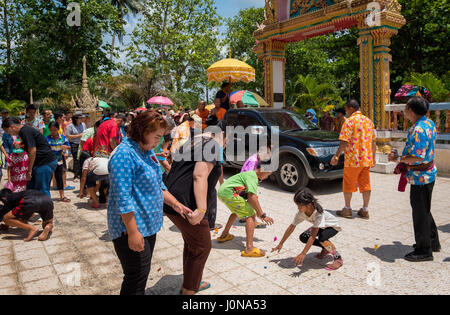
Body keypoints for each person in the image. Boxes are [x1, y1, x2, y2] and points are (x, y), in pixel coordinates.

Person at [108, 110, 192, 295]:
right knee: (135, 276)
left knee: (141, 274)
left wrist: (176, 204)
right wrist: (133, 232)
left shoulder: (147, 152)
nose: (159, 142)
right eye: (156, 137)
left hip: (148, 226)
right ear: (141, 131)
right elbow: (123, 199)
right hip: (131, 227)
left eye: (161, 137)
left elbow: (158, 184)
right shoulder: (124, 155)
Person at [164, 120, 226, 295]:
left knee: (192, 244)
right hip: (187, 204)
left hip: (171, 199)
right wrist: (202, 210)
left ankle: (191, 282)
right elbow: (199, 175)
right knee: (201, 247)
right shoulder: (212, 144)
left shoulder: (193, 141)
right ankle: (189, 291)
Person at [388, 96, 441, 262]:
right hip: (428, 173)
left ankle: (424, 250)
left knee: (420, 213)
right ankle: (432, 242)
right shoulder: (428, 123)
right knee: (424, 210)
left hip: (421, 177)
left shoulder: (418, 129)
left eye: (405, 109)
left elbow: (416, 157)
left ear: (411, 111)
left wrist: (397, 159)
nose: (404, 112)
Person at [272, 188, 343, 270]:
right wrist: (281, 243)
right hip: (320, 226)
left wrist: (303, 253)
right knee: (303, 237)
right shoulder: (301, 213)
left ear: (308, 205)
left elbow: (313, 236)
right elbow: (291, 227)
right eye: (297, 205)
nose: (298, 208)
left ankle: (338, 258)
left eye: (299, 206)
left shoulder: (318, 214)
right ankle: (326, 248)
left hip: (332, 226)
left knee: (322, 238)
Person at [331, 99, 376, 219]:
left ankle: (347, 209)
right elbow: (373, 141)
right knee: (366, 185)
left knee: (348, 184)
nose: (345, 111)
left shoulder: (349, 122)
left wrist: (336, 156)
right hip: (366, 159)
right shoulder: (368, 121)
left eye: (346, 109)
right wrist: (373, 158)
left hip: (353, 160)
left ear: (351, 108)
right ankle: (365, 209)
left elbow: (344, 141)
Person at [217, 164, 274, 257]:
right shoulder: (253, 177)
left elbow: (251, 199)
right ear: (263, 170)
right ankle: (249, 248)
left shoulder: (250, 174)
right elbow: (252, 197)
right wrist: (262, 215)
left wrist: (258, 211)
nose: (267, 177)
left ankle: (224, 234)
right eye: (268, 174)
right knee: (251, 214)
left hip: (223, 192)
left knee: (237, 212)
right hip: (229, 193)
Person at [2, 117, 57, 197]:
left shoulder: (25, 131)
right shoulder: (21, 132)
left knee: (42, 189)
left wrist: (29, 170)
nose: (9, 134)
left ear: (12, 127)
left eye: (7, 131)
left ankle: (46, 208)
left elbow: (32, 150)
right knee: (31, 189)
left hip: (45, 162)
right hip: (38, 163)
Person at [46, 122, 71, 202]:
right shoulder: (46, 138)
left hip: (59, 161)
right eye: (51, 130)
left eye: (55, 130)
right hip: (49, 161)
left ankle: (62, 196)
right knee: (48, 179)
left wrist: (66, 149)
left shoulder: (63, 138)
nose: (53, 132)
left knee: (59, 178)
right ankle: (46, 196)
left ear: (58, 129)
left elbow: (69, 147)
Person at [66, 113, 86, 180]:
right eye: (80, 118)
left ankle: (81, 174)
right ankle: (76, 175)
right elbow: (68, 136)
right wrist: (78, 135)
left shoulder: (83, 125)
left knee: (82, 159)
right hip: (74, 144)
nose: (82, 119)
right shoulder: (70, 126)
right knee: (76, 159)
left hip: (82, 144)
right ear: (76, 118)